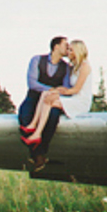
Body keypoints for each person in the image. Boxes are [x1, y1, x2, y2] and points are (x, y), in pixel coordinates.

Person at [18, 36, 71, 170]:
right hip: (34, 97)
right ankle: (37, 155)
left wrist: (52, 94)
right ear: (56, 47)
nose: (68, 47)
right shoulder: (36, 60)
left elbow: (65, 87)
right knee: (24, 117)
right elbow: (32, 83)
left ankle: (39, 153)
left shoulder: (66, 68)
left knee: (53, 117)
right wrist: (50, 90)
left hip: (51, 100)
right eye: (66, 44)